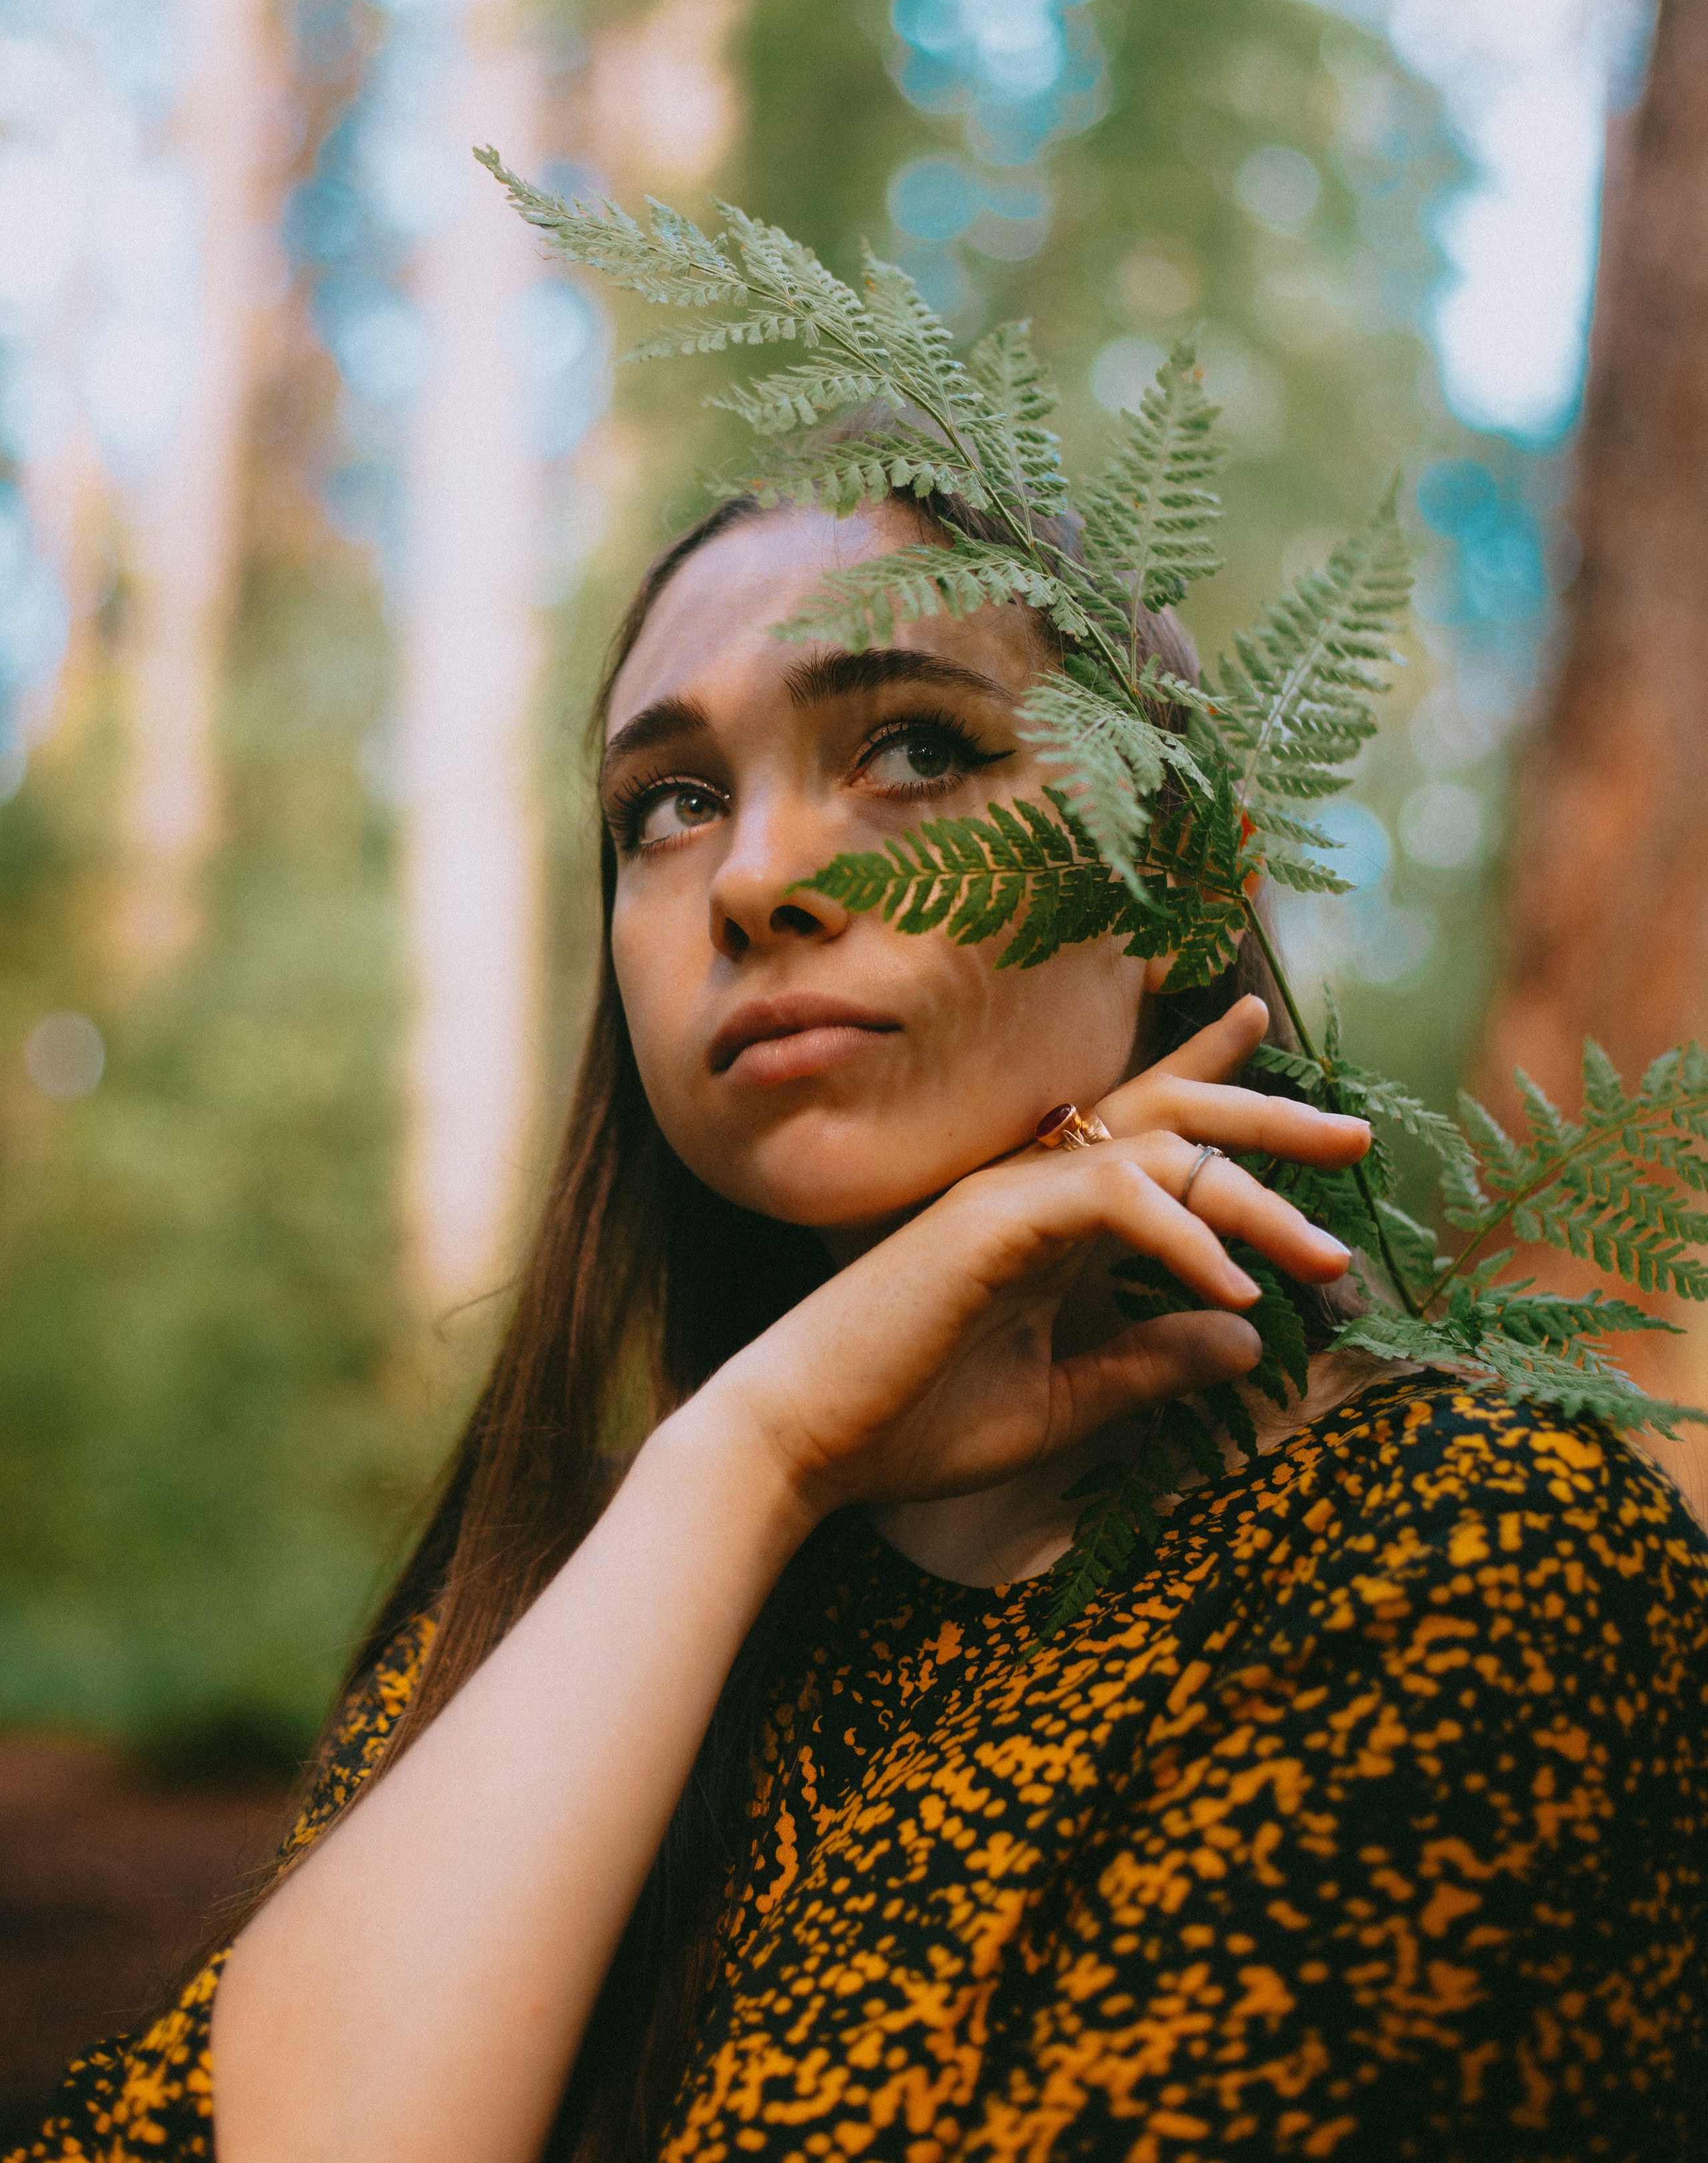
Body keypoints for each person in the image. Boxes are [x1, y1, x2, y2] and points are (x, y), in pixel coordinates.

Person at [12, 488, 1708, 2163]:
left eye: (912, 751)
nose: (750, 880)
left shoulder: (1461, 1550)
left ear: (1182, 874)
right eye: (669, 804)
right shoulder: (578, 1587)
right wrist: (745, 1461)